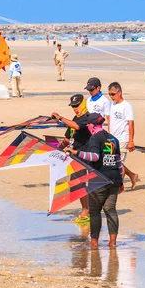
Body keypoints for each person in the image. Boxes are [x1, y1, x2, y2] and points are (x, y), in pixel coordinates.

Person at [64, 113, 124, 248]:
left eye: (88, 125)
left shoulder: (94, 138)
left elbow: (94, 157)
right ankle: (112, 242)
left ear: (91, 125)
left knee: (95, 211)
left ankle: (94, 242)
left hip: (99, 179)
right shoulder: (114, 139)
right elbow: (118, 162)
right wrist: (120, 182)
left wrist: (75, 152)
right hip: (113, 178)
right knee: (111, 210)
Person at [51, 94, 91, 223]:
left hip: (83, 155)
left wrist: (60, 118)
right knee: (75, 184)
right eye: (73, 107)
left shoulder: (88, 117)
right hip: (73, 155)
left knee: (80, 183)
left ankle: (87, 211)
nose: (75, 109)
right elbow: (68, 138)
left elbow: (77, 127)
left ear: (83, 104)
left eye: (77, 106)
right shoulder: (74, 118)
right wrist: (58, 149)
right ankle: (86, 209)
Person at [106, 82, 139, 190]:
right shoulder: (113, 105)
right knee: (113, 160)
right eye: (109, 94)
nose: (111, 97)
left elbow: (131, 124)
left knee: (118, 163)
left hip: (123, 139)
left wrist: (131, 141)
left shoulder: (127, 106)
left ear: (119, 92)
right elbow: (111, 121)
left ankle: (118, 186)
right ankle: (133, 176)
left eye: (113, 94)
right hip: (112, 138)